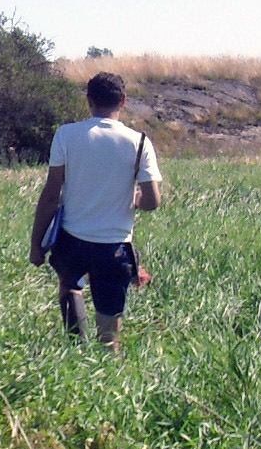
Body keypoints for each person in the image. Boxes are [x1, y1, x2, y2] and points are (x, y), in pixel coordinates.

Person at [29, 71, 163, 351]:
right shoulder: (139, 142)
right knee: (110, 333)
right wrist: (135, 199)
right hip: (114, 248)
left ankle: (77, 347)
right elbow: (153, 201)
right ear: (123, 101)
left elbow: (51, 193)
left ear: (89, 100)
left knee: (70, 286)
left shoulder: (67, 135)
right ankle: (108, 370)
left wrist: (36, 245)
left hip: (71, 242)